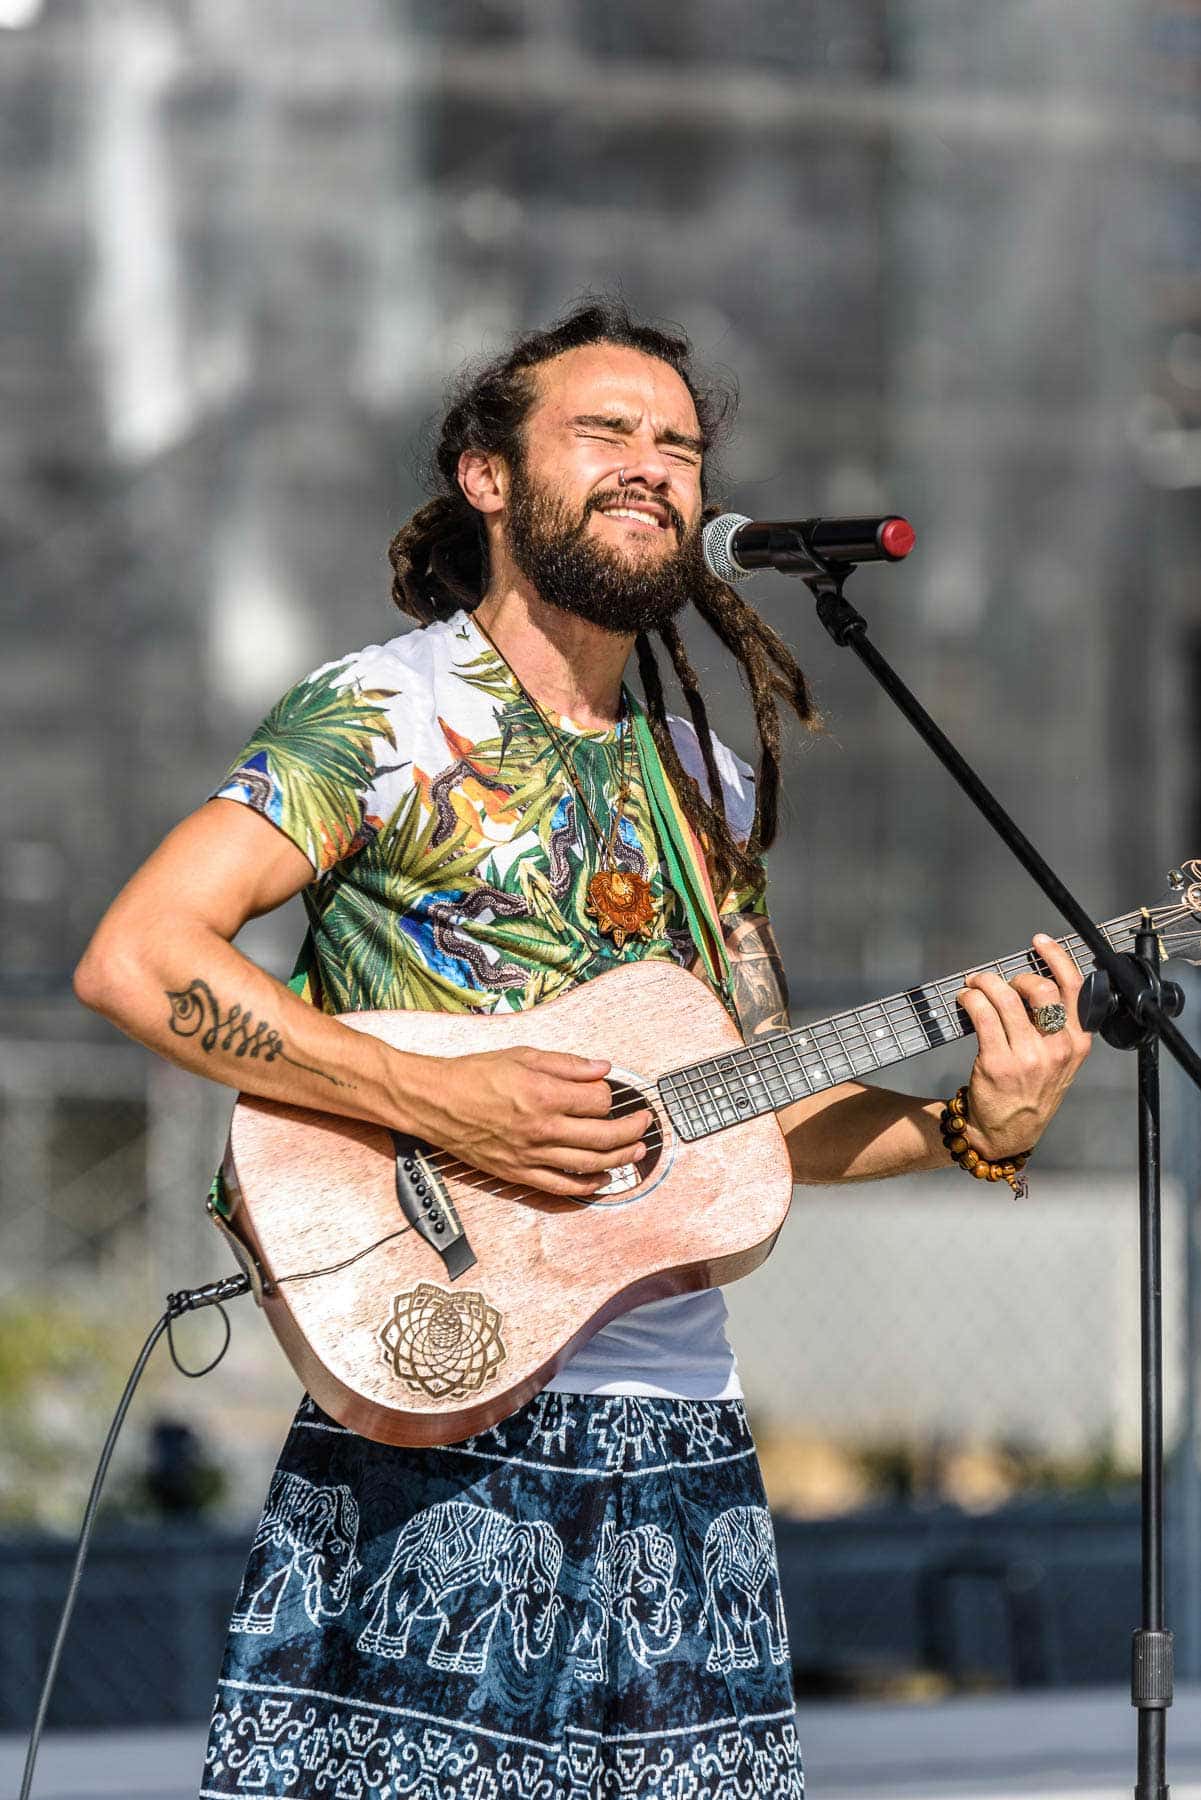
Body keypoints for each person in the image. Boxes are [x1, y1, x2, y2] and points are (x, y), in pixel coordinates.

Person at [74, 299, 1091, 1799]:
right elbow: (140, 960)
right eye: (603, 431)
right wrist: (439, 1100)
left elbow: (751, 1105)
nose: (651, 466)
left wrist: (975, 1128)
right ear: (489, 477)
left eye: (677, 445)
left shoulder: (706, 776)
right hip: (436, 1417)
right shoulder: (379, 717)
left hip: (683, 1459)